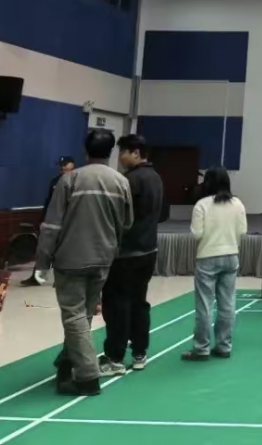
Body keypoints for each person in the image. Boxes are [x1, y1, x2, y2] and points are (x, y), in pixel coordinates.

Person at [35, 130, 133, 396]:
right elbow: (126, 223)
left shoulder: (70, 180)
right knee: (85, 313)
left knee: (74, 315)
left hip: (71, 259)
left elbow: (52, 226)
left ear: (85, 151)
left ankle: (88, 376)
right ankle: (68, 360)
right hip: (103, 259)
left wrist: (42, 262)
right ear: (111, 152)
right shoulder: (121, 182)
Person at [98, 135, 166, 376]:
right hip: (149, 251)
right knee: (139, 302)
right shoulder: (156, 178)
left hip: (126, 254)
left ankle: (114, 357)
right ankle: (139, 353)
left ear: (136, 153)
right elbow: (163, 214)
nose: (120, 157)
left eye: (123, 152)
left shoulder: (129, 180)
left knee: (118, 305)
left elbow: (118, 217)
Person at [181, 166, 247, 361]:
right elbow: (243, 231)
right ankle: (224, 345)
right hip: (231, 255)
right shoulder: (237, 203)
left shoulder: (202, 204)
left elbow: (197, 233)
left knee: (205, 305)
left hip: (208, 256)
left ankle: (201, 348)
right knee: (227, 303)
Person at [22, 157, 76, 287]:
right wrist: (43, 219)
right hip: (53, 221)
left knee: (64, 252)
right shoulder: (55, 181)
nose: (62, 167)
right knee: (43, 250)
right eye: (61, 165)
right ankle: (37, 277)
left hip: (69, 221)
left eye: (65, 164)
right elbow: (49, 201)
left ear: (73, 165)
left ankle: (61, 279)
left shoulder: (78, 181)